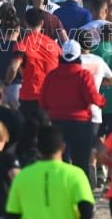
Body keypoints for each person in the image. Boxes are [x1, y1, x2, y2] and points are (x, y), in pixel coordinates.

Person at [39, 40, 106, 185]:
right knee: (81, 163)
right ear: (78, 56)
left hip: (57, 123)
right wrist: (102, 101)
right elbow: (93, 98)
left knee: (59, 162)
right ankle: (83, 191)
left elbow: (43, 102)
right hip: (80, 124)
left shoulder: (52, 75)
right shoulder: (84, 75)